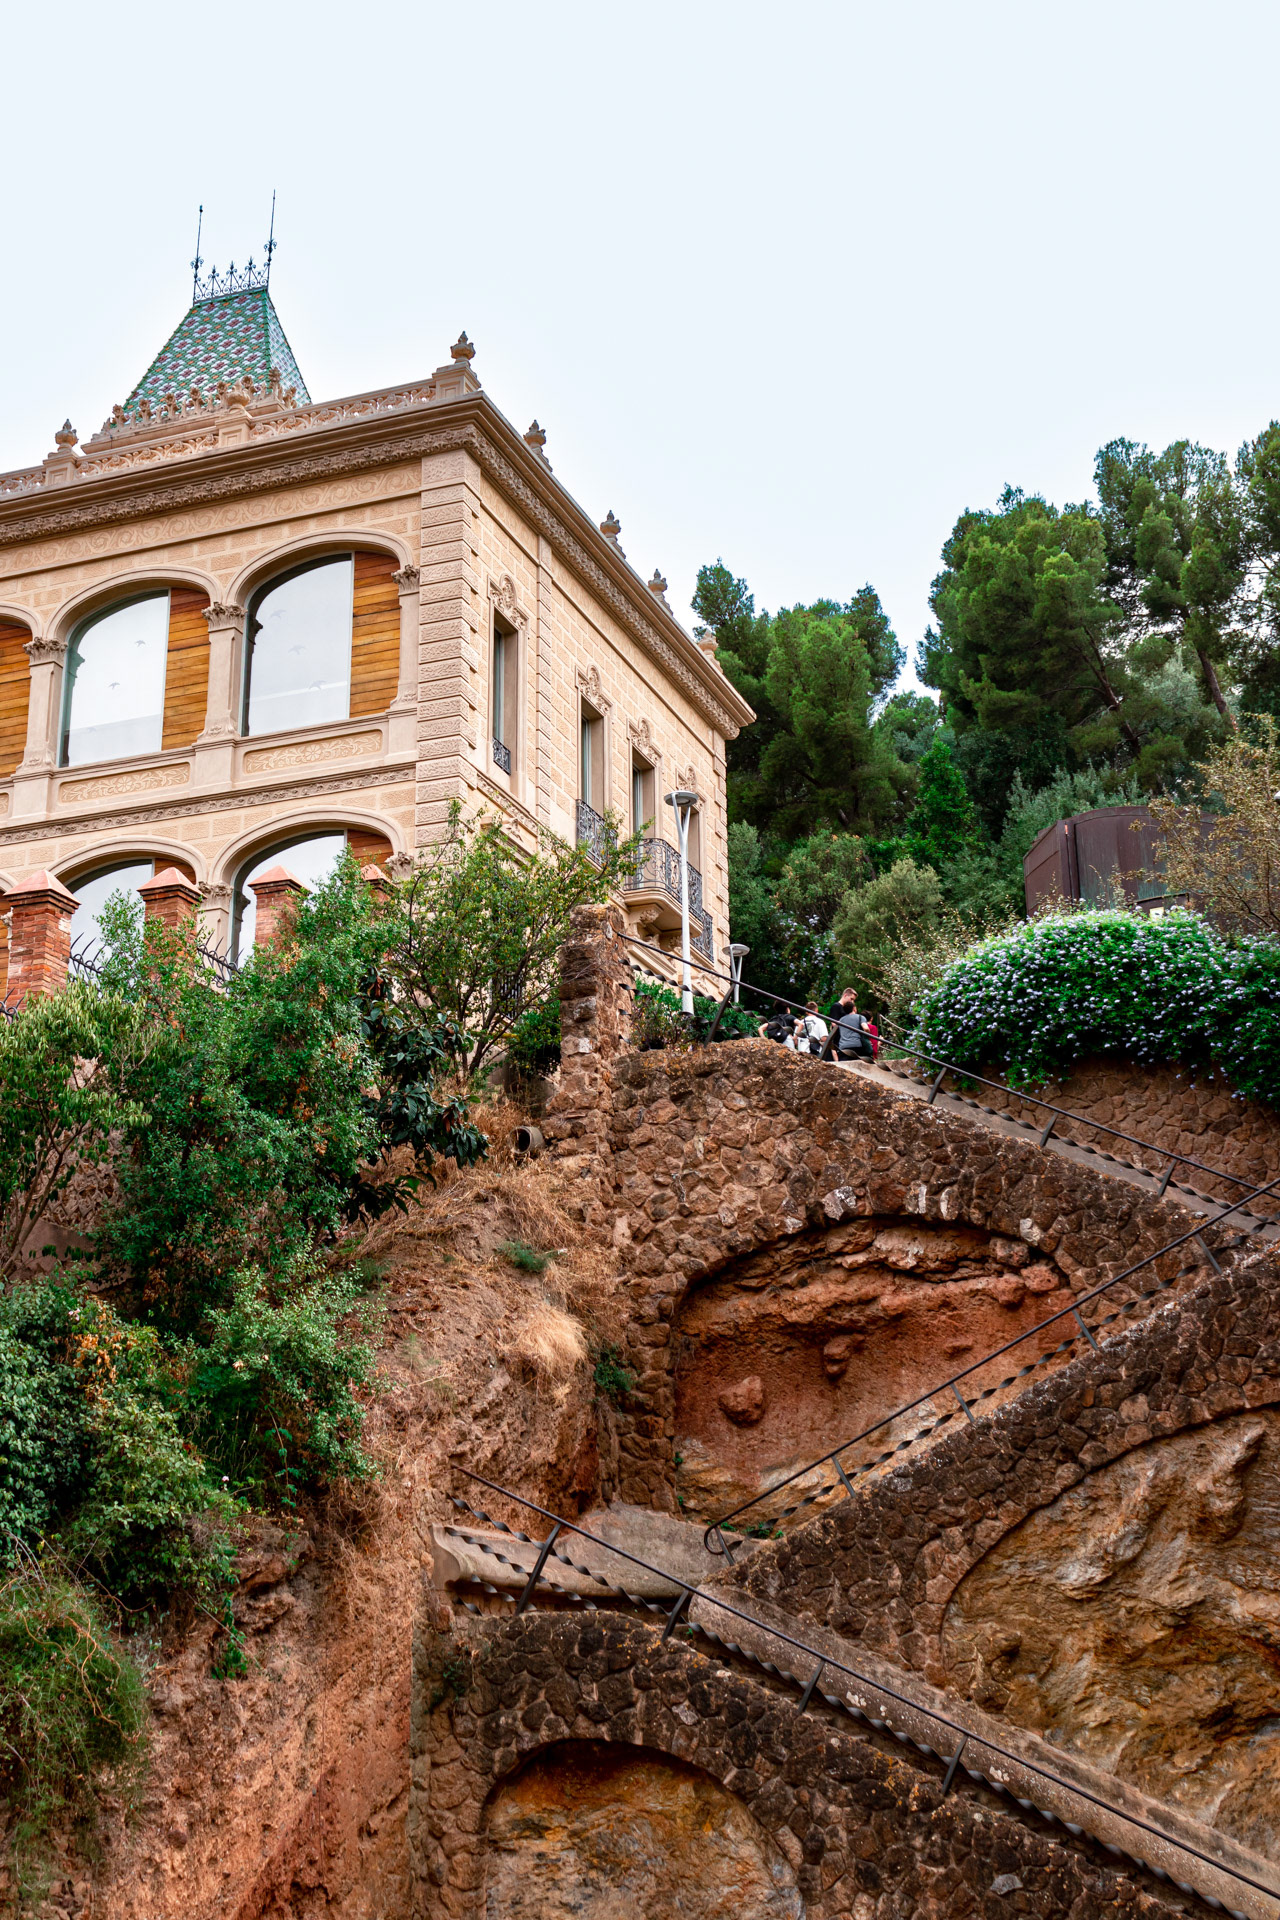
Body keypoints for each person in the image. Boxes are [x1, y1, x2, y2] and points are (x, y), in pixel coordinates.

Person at [824, 987, 872, 1062]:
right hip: (840, 1039)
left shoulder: (845, 1010)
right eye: (851, 999)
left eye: (853, 1000)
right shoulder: (836, 1006)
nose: (852, 1002)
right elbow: (834, 1024)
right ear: (845, 995)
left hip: (845, 1039)